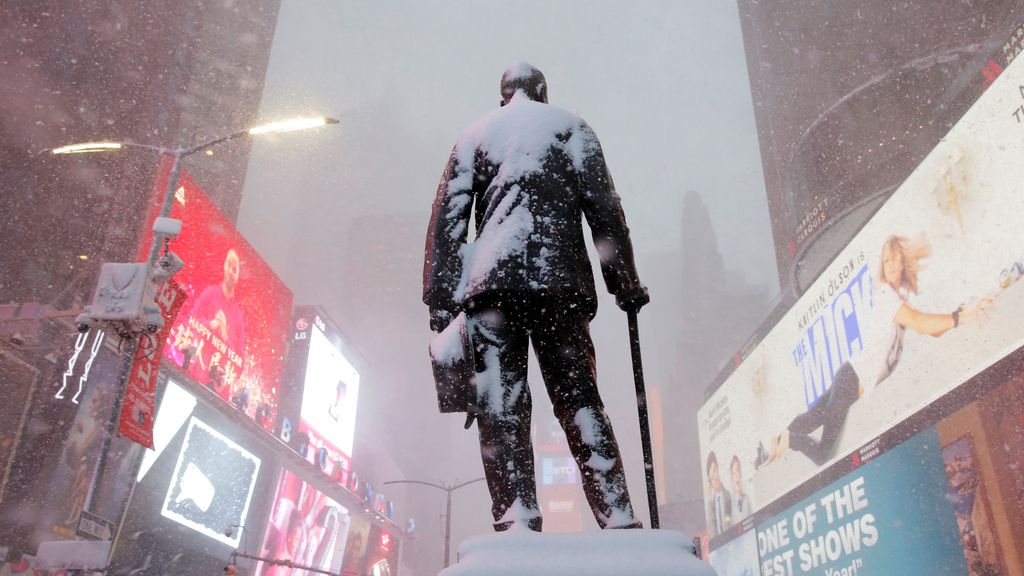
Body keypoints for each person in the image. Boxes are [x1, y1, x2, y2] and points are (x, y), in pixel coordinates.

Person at [423, 63, 649, 532]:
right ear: (543, 93)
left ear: (504, 94)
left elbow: (448, 219)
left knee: (500, 407)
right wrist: (624, 282)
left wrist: (441, 300)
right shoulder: (571, 128)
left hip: (492, 291)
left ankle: (516, 518)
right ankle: (618, 517)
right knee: (581, 401)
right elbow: (605, 210)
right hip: (559, 286)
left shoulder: (475, 136)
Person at [769, 235, 992, 466]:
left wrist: (961, 314)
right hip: (850, 381)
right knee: (824, 454)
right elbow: (921, 324)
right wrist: (959, 317)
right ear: (882, 268)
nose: (892, 266)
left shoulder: (897, 299)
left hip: (849, 379)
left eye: (895, 259)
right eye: (886, 261)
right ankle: (789, 441)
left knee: (810, 419)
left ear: (903, 262)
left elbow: (931, 330)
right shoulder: (885, 294)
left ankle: (778, 442)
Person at [184, 248, 247, 387]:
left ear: (237, 276)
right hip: (192, 373)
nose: (231, 271)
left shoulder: (238, 316)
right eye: (229, 266)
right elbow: (190, 319)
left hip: (217, 388)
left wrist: (224, 331)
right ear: (224, 266)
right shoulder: (210, 293)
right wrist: (210, 325)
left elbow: (240, 361)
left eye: (235, 269)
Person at [705, 451, 732, 538]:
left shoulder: (727, 495)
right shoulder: (711, 504)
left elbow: (730, 521)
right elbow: (711, 531)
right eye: (711, 477)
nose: (715, 478)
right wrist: (709, 496)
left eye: (715, 470)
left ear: (718, 469)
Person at [730, 455, 752, 520]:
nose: (736, 475)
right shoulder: (730, 505)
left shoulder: (747, 499)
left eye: (737, 471)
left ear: (741, 473)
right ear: (731, 478)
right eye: (733, 473)